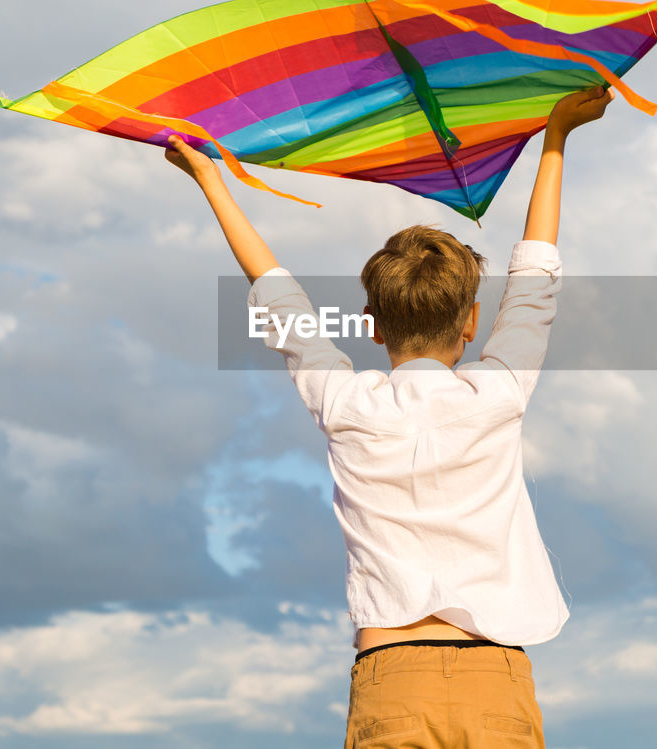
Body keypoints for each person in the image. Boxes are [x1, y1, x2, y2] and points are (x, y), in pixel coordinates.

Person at [166, 84, 613, 748]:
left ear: (371, 326)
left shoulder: (347, 405)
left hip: (389, 677)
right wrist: (555, 137)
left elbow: (278, 296)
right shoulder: (498, 394)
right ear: (470, 322)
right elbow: (534, 276)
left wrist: (211, 178)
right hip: (493, 675)